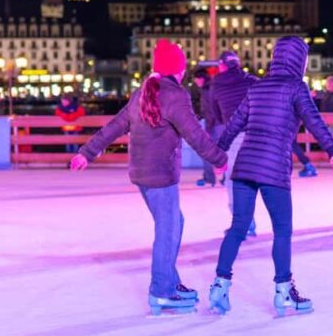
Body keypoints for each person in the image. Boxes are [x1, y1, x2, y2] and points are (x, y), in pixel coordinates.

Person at [71, 40, 227, 315]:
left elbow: (115, 126)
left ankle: (170, 280)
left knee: (175, 222)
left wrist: (87, 152)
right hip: (161, 175)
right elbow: (194, 133)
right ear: (177, 70)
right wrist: (220, 159)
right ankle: (161, 291)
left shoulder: (142, 92)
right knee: (167, 230)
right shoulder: (174, 95)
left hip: (142, 174)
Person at [209, 36, 333, 317]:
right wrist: (332, 149)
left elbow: (235, 122)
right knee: (282, 230)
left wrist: (219, 154)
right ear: (299, 60)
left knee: (237, 227)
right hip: (272, 168)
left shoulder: (258, 87)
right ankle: (283, 291)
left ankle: (220, 285)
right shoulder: (296, 87)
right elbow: (313, 120)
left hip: (245, 165)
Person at [210, 50, 259, 237]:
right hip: (256, 135)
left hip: (234, 136)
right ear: (238, 64)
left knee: (233, 181)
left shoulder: (217, 84)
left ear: (222, 65)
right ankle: (250, 223)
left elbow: (215, 112)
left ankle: (244, 224)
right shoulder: (252, 81)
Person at [193, 68, 222, 187]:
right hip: (221, 124)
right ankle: (225, 178)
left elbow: (210, 110)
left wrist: (209, 128)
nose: (195, 82)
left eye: (195, 79)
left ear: (201, 78)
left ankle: (209, 178)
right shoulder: (213, 87)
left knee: (206, 152)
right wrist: (200, 116)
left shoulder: (207, 89)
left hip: (214, 125)